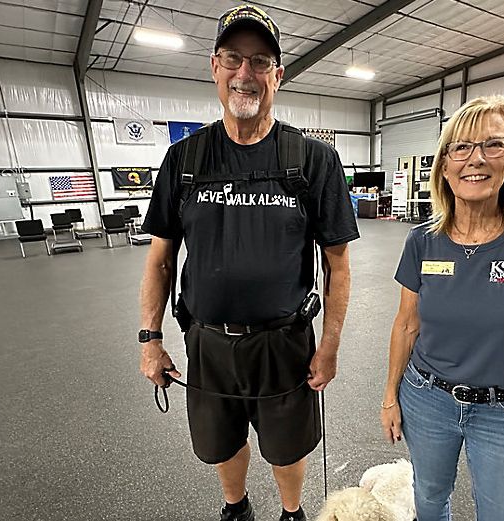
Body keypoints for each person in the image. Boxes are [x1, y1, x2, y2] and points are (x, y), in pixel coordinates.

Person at [137, 5, 359, 521]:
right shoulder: (185, 160)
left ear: (277, 76)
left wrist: (329, 346)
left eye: (260, 62)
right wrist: (150, 340)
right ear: (214, 67)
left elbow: (338, 266)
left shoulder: (312, 159)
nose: (245, 74)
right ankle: (235, 508)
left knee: (286, 444)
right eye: (233, 59)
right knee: (221, 439)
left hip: (284, 342)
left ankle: (291, 512)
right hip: (208, 340)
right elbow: (160, 261)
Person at [380, 96, 504, 521]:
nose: (475, 159)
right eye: (461, 147)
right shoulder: (422, 241)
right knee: (429, 501)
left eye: (493, 145)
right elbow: (406, 325)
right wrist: (390, 397)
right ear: (444, 166)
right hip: (427, 399)